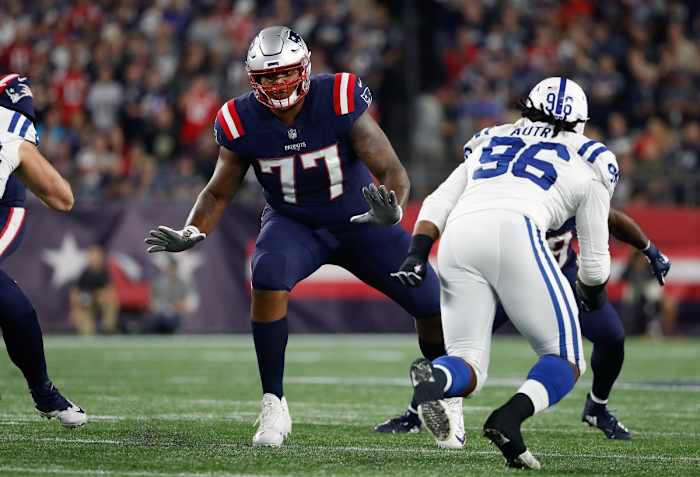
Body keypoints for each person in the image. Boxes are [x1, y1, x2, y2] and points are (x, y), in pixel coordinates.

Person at [144, 26, 446, 447]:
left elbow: (393, 170)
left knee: (430, 302)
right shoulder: (239, 119)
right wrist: (193, 229)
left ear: (304, 69)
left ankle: (442, 398)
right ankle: (273, 403)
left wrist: (392, 207)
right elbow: (218, 189)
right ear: (253, 80)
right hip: (295, 223)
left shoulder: (337, 97)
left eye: (285, 73)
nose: (278, 83)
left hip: (360, 221)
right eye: (267, 77)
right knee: (266, 274)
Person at [392, 77, 621, 469]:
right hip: (517, 231)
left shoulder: (491, 138)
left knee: (468, 363)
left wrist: (417, 252)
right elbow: (596, 264)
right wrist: (592, 293)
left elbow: (439, 200)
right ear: (579, 121)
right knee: (565, 358)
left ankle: (438, 383)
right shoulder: (593, 157)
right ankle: (509, 420)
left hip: (459, 236)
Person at [377, 208, 671, 440]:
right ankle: (419, 409)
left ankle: (597, 407)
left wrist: (648, 248)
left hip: (560, 274)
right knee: (455, 345)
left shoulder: (566, 181)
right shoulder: (500, 186)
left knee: (611, 336)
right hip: (509, 278)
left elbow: (609, 217)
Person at [0, 73, 86, 427]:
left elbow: (62, 198)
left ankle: (44, 393)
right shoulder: (11, 131)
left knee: (16, 310)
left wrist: (21, 157)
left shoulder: (10, 137)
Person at [69, 244, 119, 335]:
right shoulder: (83, 273)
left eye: (97, 256)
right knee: (86, 332)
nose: (95, 258)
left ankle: (107, 330)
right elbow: (75, 293)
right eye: (92, 255)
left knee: (111, 301)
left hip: (100, 300)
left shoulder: (104, 272)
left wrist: (98, 295)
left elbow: (110, 291)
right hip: (86, 304)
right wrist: (75, 309)